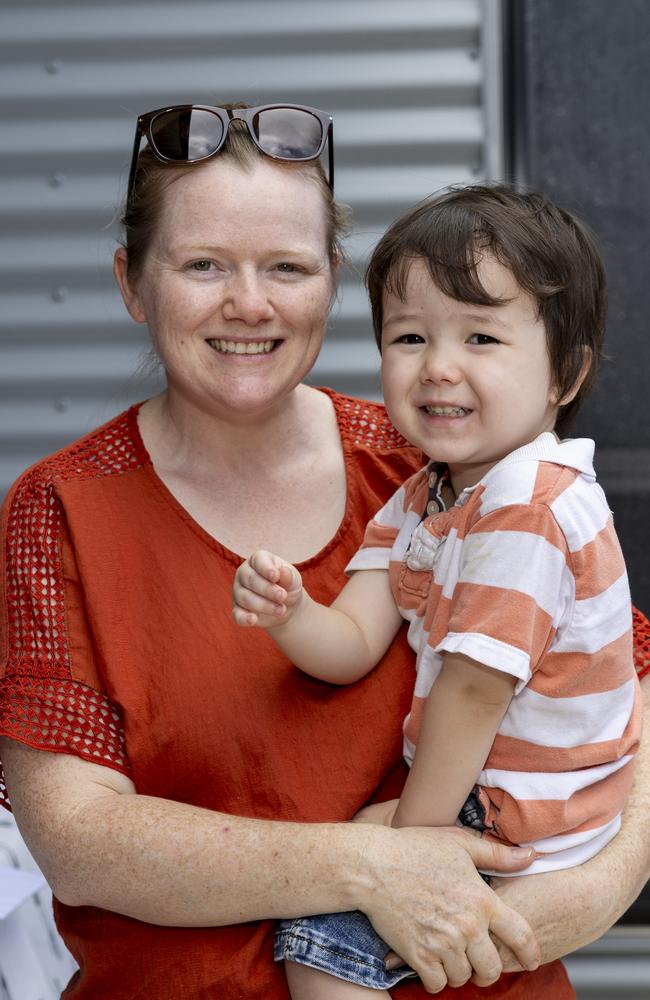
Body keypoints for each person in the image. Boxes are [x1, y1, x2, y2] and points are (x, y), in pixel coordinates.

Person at [0, 102, 648, 1000]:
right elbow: (77, 844)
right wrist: (367, 866)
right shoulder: (60, 509)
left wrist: (594, 888)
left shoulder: (439, 456)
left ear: (332, 281)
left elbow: (625, 677)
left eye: (287, 267)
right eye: (202, 266)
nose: (250, 304)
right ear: (131, 282)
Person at [232, 186, 643, 998]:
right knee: (343, 857)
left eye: (481, 336)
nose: (438, 366)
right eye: (410, 336)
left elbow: (473, 693)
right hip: (498, 794)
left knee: (320, 929)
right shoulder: (431, 495)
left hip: (533, 813)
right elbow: (353, 643)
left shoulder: (529, 507)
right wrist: (293, 615)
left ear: (566, 373)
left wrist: (410, 849)